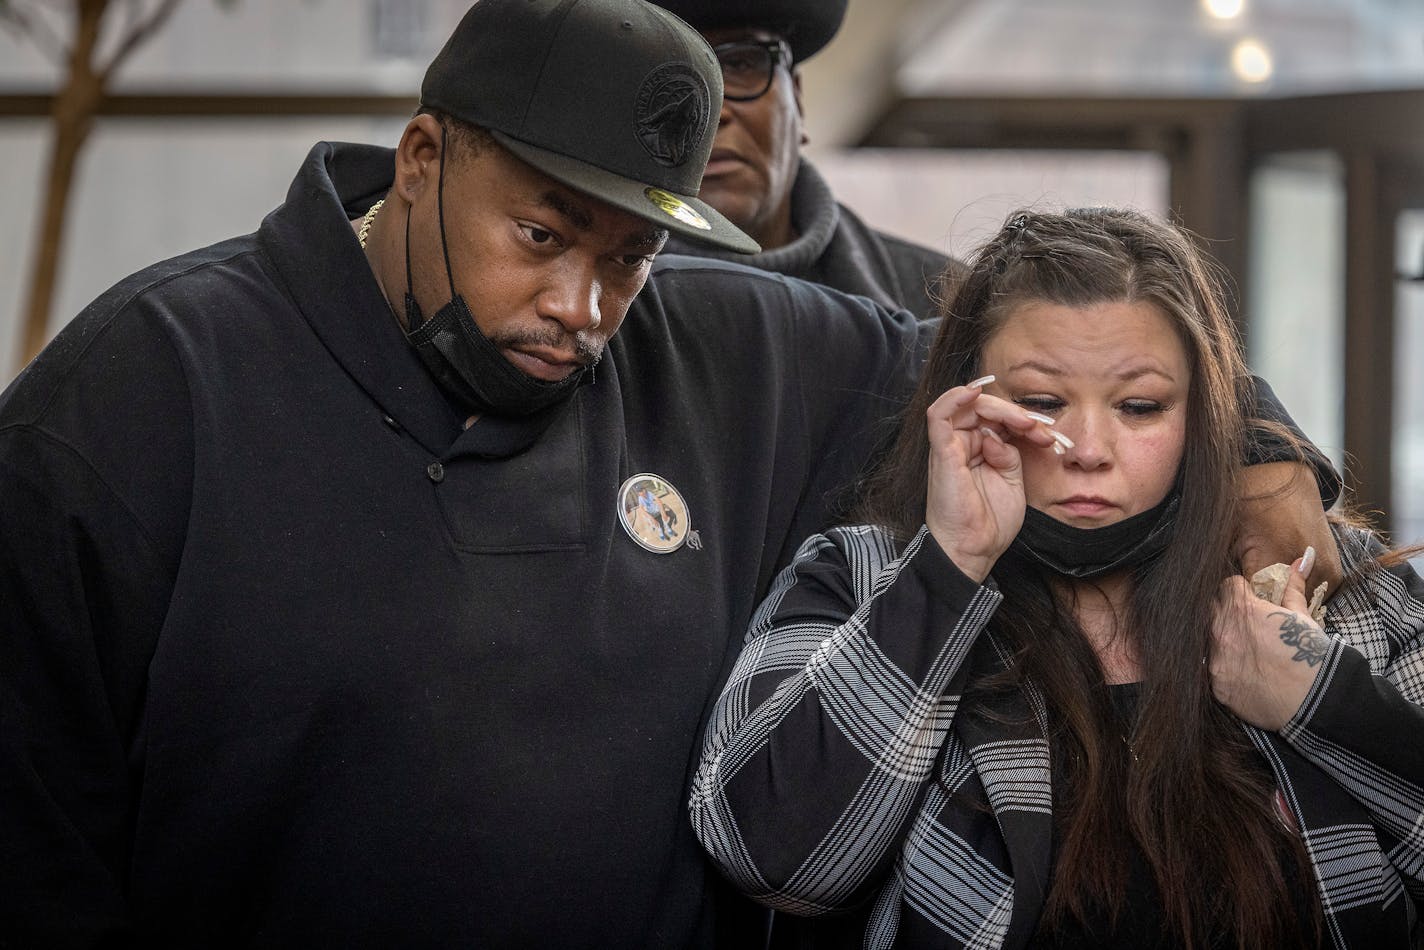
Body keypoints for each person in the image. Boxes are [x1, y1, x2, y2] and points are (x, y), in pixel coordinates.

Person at [0, 1, 935, 946]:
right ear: (421, 159)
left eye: (630, 257)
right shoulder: (146, 390)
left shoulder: (726, 356)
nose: (582, 308)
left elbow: (1015, 351)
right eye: (541, 235)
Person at [691, 208, 1424, 948]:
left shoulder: (1334, 586)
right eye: (1042, 403)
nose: (1089, 451)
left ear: (1208, 413)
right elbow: (772, 862)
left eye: (1140, 407)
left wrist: (1325, 701)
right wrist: (948, 569)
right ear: (967, 401)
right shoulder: (858, 579)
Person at [651, 0, 957, 321]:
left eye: (740, 64)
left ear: (797, 99)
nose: (711, 113)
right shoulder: (598, 321)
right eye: (672, 79)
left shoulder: (950, 309)